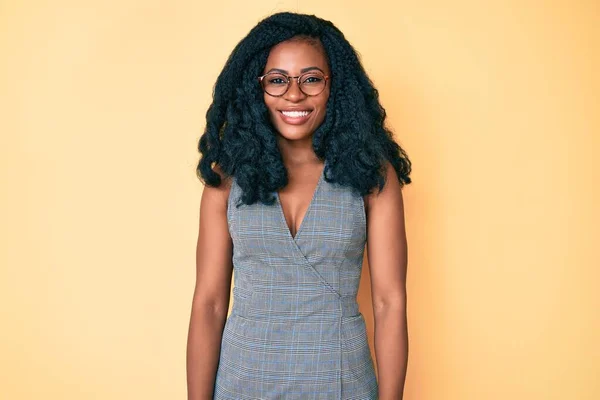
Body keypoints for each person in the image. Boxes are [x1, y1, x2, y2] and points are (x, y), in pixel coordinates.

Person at [187, 11, 412, 400]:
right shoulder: (226, 179)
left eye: (311, 79)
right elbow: (208, 304)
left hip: (342, 383)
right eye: (277, 80)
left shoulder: (371, 177)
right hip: (244, 383)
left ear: (334, 86)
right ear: (256, 89)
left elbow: (389, 302)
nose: (294, 95)